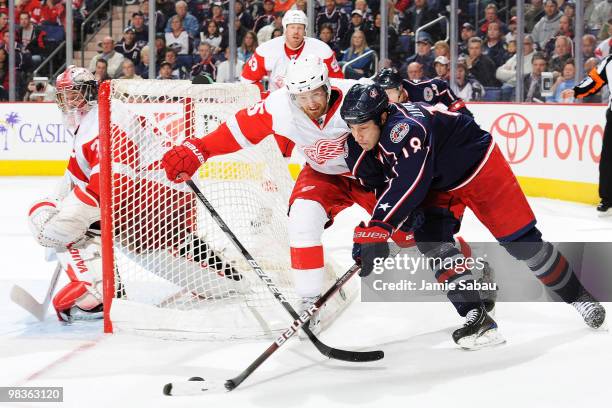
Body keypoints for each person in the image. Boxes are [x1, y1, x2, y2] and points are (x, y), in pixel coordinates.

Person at [338, 82, 606, 348]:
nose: (358, 136)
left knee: (523, 243)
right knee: (431, 241)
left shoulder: (404, 129)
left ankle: (578, 296)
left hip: (478, 166)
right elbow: (388, 188)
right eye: (352, 128)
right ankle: (476, 316)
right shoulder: (369, 139)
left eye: (363, 128)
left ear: (383, 116)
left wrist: (380, 228)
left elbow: (408, 183)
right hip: (438, 180)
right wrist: (374, 232)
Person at [161, 56, 374, 337]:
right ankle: (310, 303)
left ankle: (449, 271)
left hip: (373, 174)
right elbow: (238, 130)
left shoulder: (357, 95)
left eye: (315, 94)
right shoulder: (280, 106)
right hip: (324, 175)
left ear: (327, 85)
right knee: (302, 220)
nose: (310, 104)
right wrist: (199, 149)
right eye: (301, 97)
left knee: (415, 233)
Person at [241, 10, 343, 93]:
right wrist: (265, 98)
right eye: (292, 27)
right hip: (277, 105)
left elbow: (338, 82)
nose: (296, 31)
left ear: (305, 31)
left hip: (310, 107)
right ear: (285, 29)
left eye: (300, 27)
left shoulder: (322, 50)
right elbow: (248, 80)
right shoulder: (266, 50)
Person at [562, 55, 612, 215]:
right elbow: (595, 80)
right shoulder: (609, 61)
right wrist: (577, 91)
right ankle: (608, 199)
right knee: (608, 160)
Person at [373, 66, 472, 116]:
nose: (384, 97)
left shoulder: (421, 91)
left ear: (400, 88)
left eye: (388, 92)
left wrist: (462, 114)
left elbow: (442, 87)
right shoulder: (378, 101)